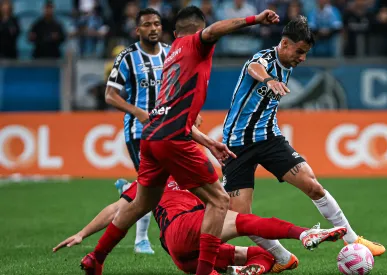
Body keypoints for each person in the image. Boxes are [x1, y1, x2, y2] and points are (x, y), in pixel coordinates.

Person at [81, 6, 281, 275]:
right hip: (173, 137)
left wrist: (208, 142)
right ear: (199, 30)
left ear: (173, 33)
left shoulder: (171, 52)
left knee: (141, 202)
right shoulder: (195, 43)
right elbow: (213, 31)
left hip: (152, 135)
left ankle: (96, 257)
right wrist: (253, 20)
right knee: (219, 201)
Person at [221, 15, 386, 273]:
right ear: (284, 43)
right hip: (237, 145)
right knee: (241, 216)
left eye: (306, 53)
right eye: (299, 52)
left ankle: (353, 239)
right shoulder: (264, 59)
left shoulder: (289, 63)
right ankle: (282, 257)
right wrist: (268, 80)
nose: (302, 58)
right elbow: (254, 67)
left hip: (269, 138)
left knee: (313, 185)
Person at [54, 177, 346, 275]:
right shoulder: (155, 179)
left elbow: (118, 211)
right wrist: (82, 233)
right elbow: (117, 210)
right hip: (188, 226)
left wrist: (83, 235)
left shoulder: (179, 173)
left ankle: (242, 271)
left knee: (263, 256)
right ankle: (305, 233)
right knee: (245, 220)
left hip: (181, 253)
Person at [104, 8, 171, 255]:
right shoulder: (127, 57)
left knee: (162, 184)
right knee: (152, 186)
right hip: (139, 131)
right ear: (137, 30)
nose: (153, 28)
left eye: (156, 23)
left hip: (167, 129)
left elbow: (178, 86)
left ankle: (126, 190)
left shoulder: (170, 53)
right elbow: (110, 95)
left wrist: (191, 112)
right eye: (147, 25)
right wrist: (138, 112)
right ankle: (141, 239)